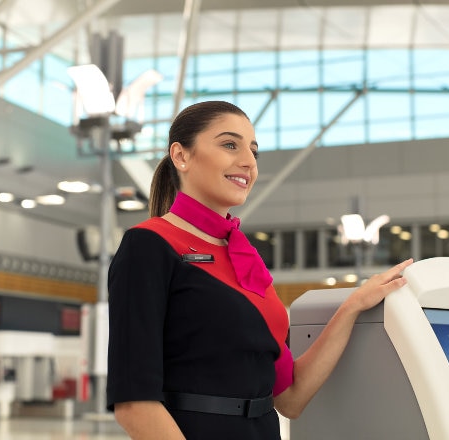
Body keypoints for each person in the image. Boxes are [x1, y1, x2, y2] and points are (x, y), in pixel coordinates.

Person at [106, 100, 413, 440]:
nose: (248, 162)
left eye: (254, 151)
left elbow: (291, 397)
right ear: (181, 156)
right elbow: (135, 405)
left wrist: (352, 305)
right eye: (229, 144)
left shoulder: (243, 255)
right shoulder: (149, 245)